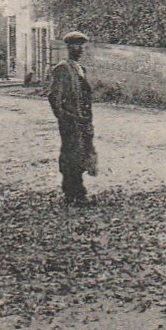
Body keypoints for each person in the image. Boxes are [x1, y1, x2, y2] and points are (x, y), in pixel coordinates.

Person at [47, 31, 97, 205]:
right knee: (71, 155)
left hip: (82, 120)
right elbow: (54, 97)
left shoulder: (80, 69)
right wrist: (64, 118)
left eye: (82, 45)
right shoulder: (62, 68)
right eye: (77, 45)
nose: (81, 49)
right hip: (70, 120)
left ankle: (75, 191)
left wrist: (86, 119)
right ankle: (74, 193)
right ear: (68, 47)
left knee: (82, 152)